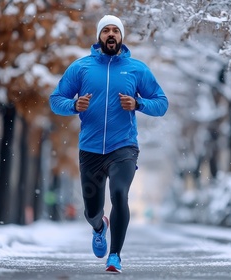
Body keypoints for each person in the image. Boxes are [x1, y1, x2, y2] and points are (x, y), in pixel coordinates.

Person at [50, 14, 168, 273]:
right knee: (91, 211)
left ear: (121, 36)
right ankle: (99, 227)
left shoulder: (137, 69)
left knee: (119, 194)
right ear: (99, 37)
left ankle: (114, 255)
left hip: (123, 147)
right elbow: (55, 99)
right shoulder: (81, 68)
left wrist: (139, 104)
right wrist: (73, 105)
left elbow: (162, 103)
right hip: (90, 149)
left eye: (115, 30)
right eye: (106, 31)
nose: (111, 34)